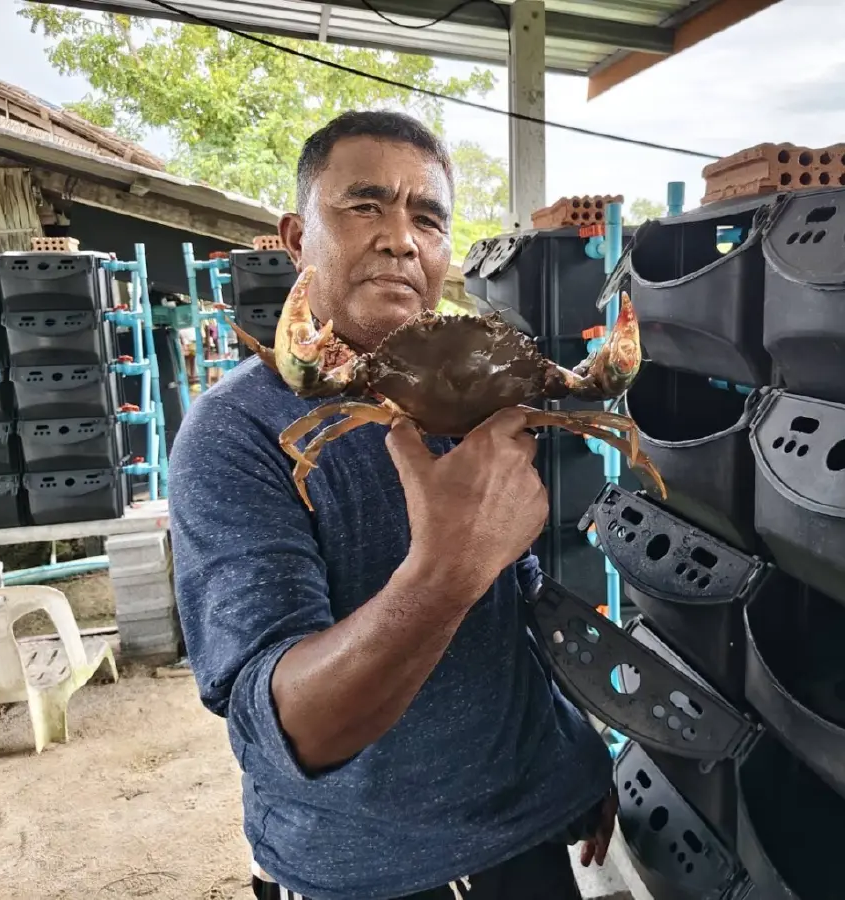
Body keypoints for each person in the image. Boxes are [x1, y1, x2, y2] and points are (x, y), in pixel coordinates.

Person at [168, 109, 617, 900]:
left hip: (523, 837)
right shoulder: (236, 434)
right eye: (365, 205)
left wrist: (575, 764)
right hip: (358, 871)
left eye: (429, 218)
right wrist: (448, 569)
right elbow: (287, 729)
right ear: (296, 238)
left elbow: (510, 625)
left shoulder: (478, 405)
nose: (401, 238)